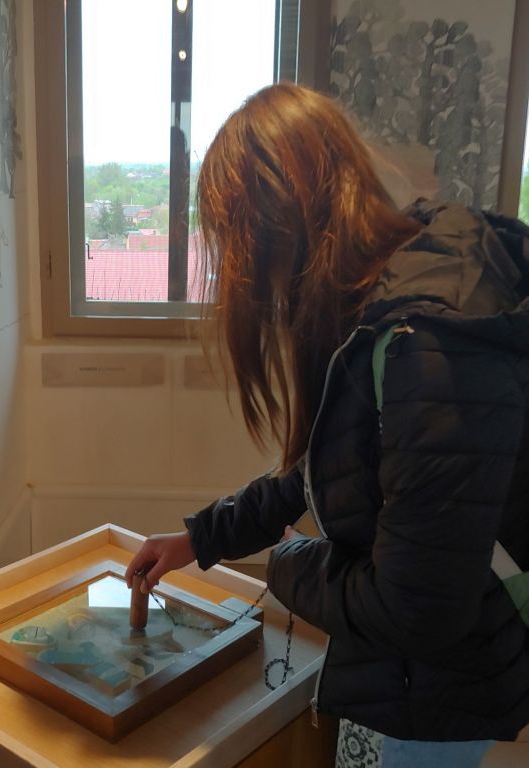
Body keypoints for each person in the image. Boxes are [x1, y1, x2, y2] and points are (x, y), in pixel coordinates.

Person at [126, 83, 529, 766]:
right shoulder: (385, 301)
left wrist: (287, 563)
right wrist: (201, 537)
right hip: (405, 680)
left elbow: (418, 612)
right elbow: (326, 468)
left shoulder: (426, 343)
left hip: (433, 698)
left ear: (273, 229)